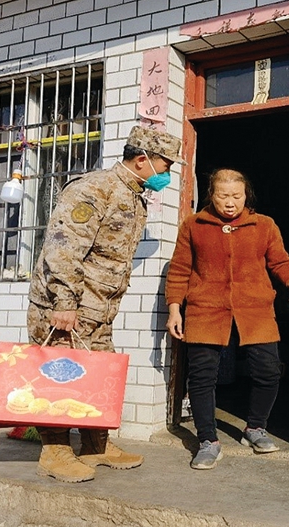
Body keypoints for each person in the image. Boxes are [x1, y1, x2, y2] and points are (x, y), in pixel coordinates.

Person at [27, 125, 186, 483]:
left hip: (97, 312)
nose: (168, 172)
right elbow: (63, 248)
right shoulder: (93, 189)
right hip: (66, 309)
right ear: (142, 160)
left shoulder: (133, 195)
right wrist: (64, 302)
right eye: (166, 164)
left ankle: (95, 445)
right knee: (59, 379)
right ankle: (55, 452)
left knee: (97, 379)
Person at [165, 168, 289, 470]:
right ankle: (208, 440)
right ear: (211, 195)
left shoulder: (264, 225)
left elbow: (280, 260)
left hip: (254, 308)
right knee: (202, 376)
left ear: (246, 196)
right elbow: (179, 269)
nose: (230, 203)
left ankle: (255, 427)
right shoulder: (193, 225)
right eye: (223, 196)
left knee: (268, 371)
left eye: (237, 196)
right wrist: (175, 309)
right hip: (206, 308)